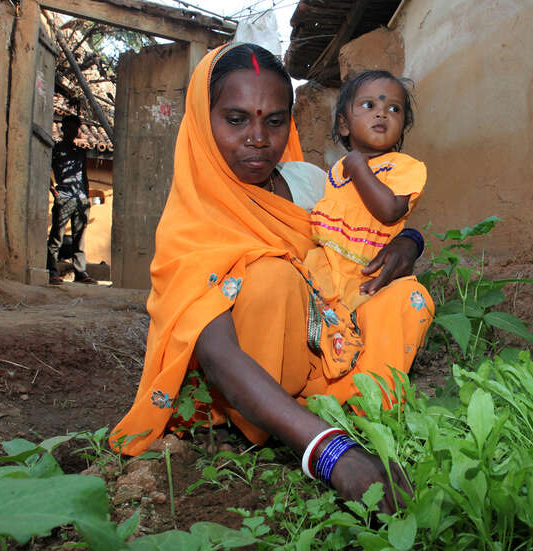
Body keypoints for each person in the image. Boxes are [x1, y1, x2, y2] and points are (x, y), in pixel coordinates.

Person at [111, 43, 432, 512]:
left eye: (275, 121)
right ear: (202, 119)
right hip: (247, 381)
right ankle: (263, 426)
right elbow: (218, 352)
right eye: (236, 119)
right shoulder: (191, 221)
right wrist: (333, 455)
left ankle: (362, 407)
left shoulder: (310, 182)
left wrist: (409, 243)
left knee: (405, 296)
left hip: (327, 350)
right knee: (270, 277)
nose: (258, 138)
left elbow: (367, 228)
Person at [302, 70, 426, 370]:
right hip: (328, 270)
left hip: (370, 276)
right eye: (369, 105)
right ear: (344, 125)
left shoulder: (402, 167)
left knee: (374, 332)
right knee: (325, 328)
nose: (382, 113)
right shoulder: (333, 174)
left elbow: (389, 210)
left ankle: (375, 382)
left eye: (394, 109)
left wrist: (359, 166)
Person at [47, 114, 97, 285]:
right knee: (57, 237)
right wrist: (54, 190)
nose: (74, 131)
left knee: (79, 238)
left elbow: (84, 177)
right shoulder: (55, 149)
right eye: (70, 128)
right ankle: (52, 271)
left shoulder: (80, 152)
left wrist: (87, 198)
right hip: (64, 197)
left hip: (81, 199)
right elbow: (45, 169)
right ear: (63, 129)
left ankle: (80, 273)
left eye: (76, 128)